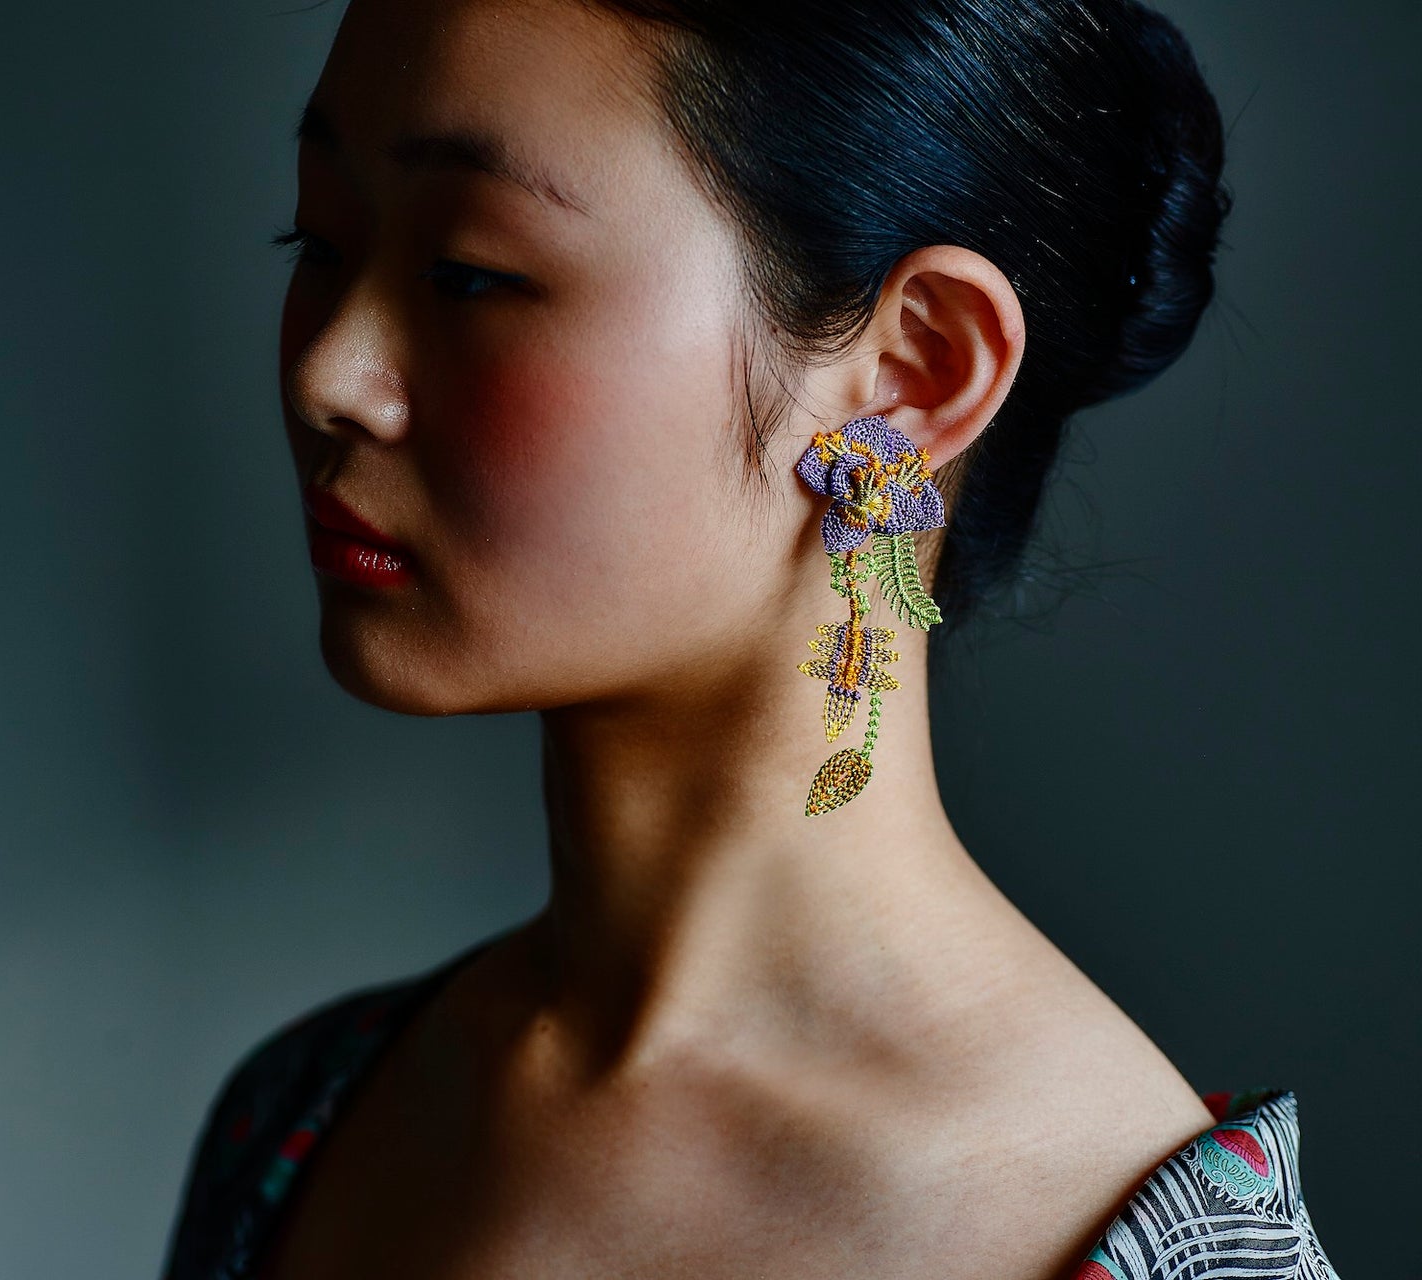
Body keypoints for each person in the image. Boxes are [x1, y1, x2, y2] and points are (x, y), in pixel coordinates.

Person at [163, 0, 1342, 1275]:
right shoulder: (308, 1114)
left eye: (470, 273)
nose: (330, 372)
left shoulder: (1111, 1232)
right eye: (320, 241)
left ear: (915, 370)